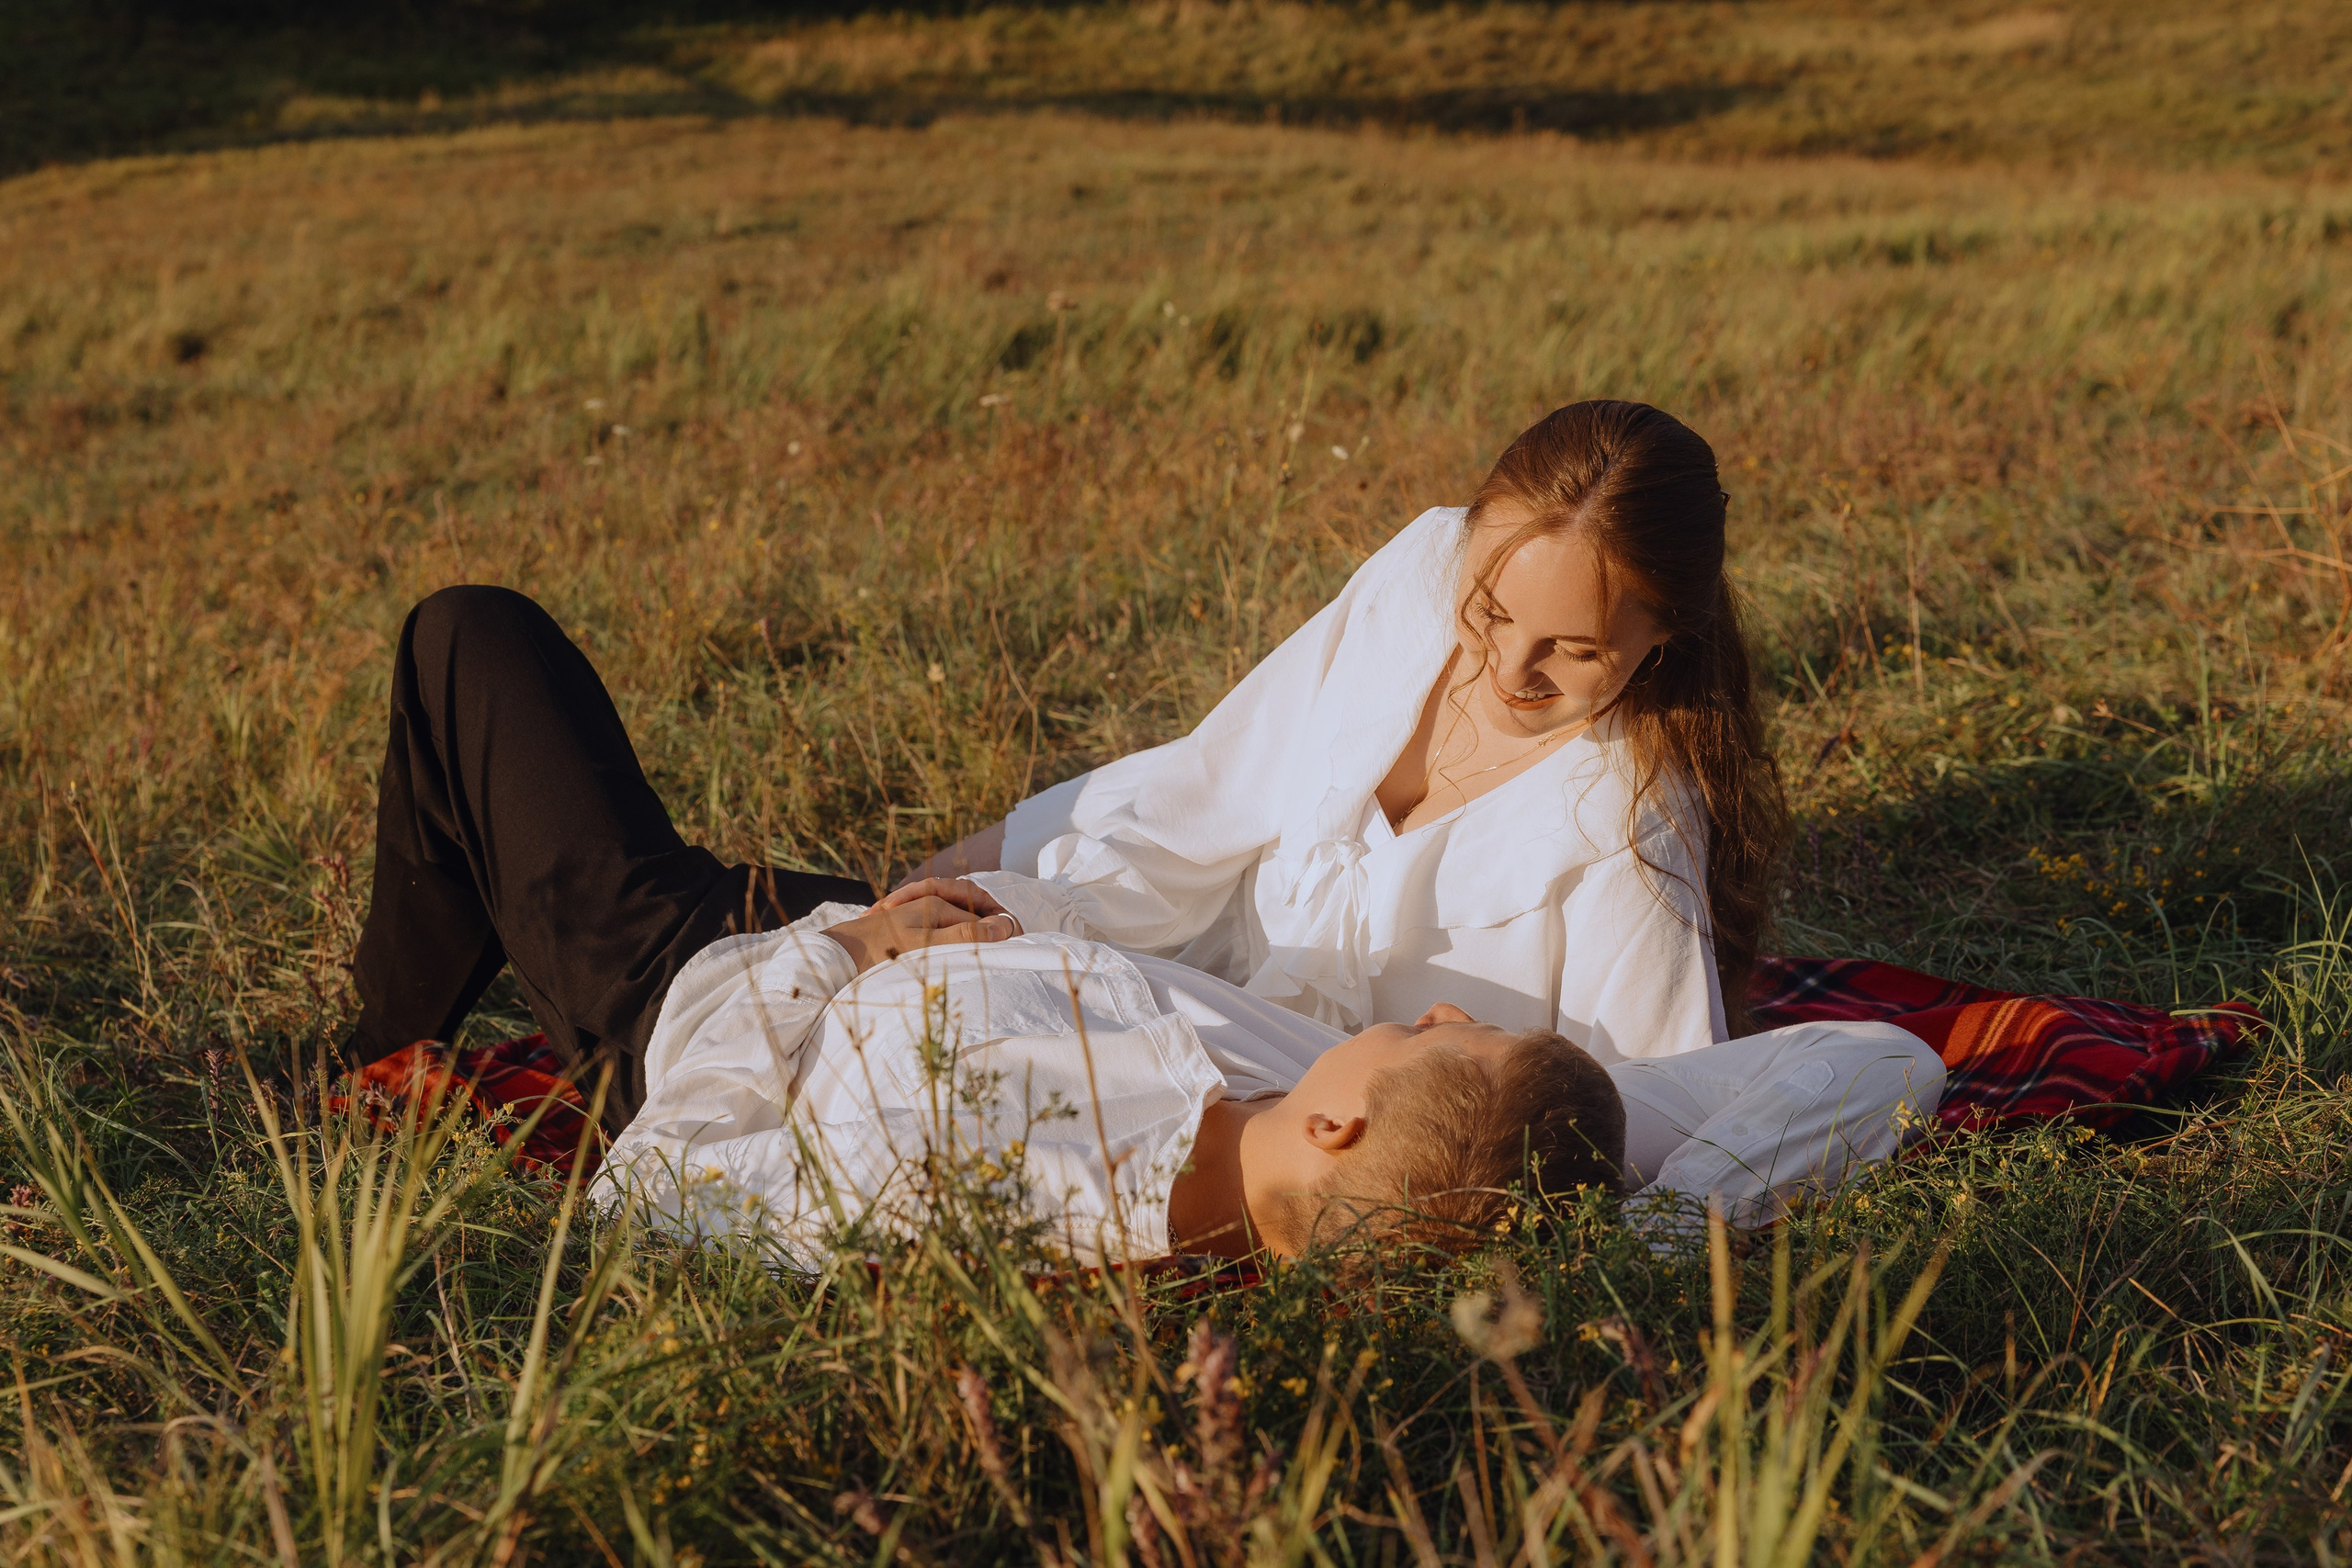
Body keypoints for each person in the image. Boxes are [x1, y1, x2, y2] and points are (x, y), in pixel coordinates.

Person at [892, 399, 1787, 1065]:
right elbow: (1223, 772)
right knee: (903, 939)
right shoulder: (1426, 562)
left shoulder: (1634, 824)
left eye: (1577, 650)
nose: (1512, 672)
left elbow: (1650, 1093)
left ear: (1665, 636)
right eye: (1490, 611)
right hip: (1206, 938)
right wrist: (1022, 873)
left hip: (1322, 1100)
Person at [594, 893, 1944, 1264]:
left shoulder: (981, 1177)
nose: (1434, 1005)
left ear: (1342, 1115)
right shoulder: (1432, 1137)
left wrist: (841, 944)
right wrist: (1661, 1231)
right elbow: (1879, 1059)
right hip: (1021, 899)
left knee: (476, 646)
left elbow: (649, 1178)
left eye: (1438, 1031)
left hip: (755, 965)